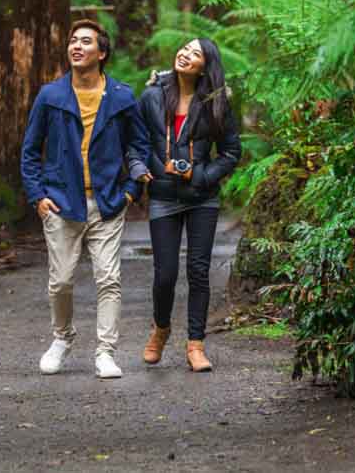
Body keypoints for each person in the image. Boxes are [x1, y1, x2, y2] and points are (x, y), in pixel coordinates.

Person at [20, 19, 150, 379]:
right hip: (62, 203)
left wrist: (130, 191)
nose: (76, 46)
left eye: (86, 42)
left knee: (109, 279)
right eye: (73, 41)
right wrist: (38, 197)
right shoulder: (51, 96)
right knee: (60, 281)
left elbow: (139, 146)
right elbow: (30, 150)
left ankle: (106, 351)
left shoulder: (122, 97)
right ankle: (62, 338)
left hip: (108, 203)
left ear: (102, 53)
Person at [137, 38, 242, 372]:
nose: (185, 54)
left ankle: (196, 345)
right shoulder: (152, 95)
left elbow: (230, 153)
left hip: (202, 199)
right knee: (165, 274)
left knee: (198, 271)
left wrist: (201, 176)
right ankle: (161, 329)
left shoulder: (216, 102)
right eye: (184, 48)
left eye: (195, 53)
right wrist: (155, 169)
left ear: (205, 65)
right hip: (164, 197)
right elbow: (138, 142)